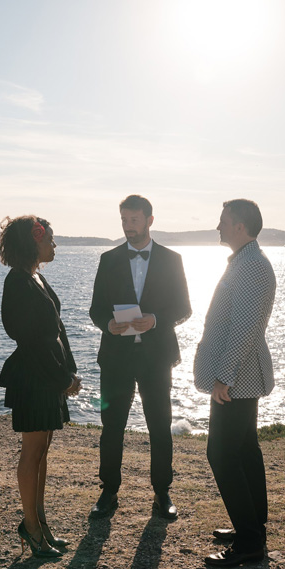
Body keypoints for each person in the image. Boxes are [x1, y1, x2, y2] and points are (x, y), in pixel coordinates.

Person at [89, 195, 192, 520]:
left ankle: (162, 494)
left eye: (134, 220)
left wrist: (156, 320)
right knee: (112, 427)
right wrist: (108, 324)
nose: (128, 226)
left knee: (159, 426)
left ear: (149, 220)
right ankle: (108, 492)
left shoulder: (172, 259)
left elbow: (184, 308)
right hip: (116, 357)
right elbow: (95, 309)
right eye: (124, 220)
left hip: (156, 357)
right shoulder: (108, 259)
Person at [193, 199, 277, 568]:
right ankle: (252, 528)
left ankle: (249, 543)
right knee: (244, 451)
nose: (218, 226)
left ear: (240, 226)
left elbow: (244, 330)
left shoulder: (253, 267)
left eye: (223, 221)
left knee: (222, 455)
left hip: (236, 379)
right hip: (239, 378)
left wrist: (224, 376)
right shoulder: (246, 262)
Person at [0, 215, 82, 559]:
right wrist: (62, 379)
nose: (54, 244)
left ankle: (40, 522)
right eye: (49, 239)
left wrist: (69, 373)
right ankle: (30, 527)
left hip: (49, 377)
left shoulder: (36, 277)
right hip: (34, 378)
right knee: (31, 454)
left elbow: (57, 331)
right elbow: (31, 340)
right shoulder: (17, 282)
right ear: (34, 241)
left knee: (42, 452)